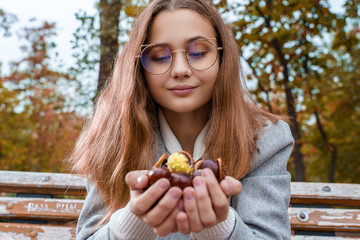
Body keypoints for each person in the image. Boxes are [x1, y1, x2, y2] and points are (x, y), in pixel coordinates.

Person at [68, 0, 294, 239]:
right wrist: (133, 223)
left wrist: (219, 228)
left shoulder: (266, 137)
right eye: (159, 57)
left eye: (197, 53)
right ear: (139, 68)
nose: (180, 69)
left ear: (222, 57)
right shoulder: (112, 137)